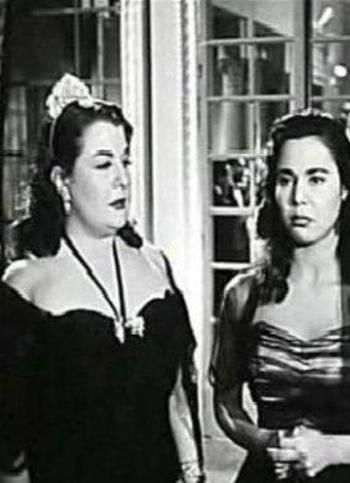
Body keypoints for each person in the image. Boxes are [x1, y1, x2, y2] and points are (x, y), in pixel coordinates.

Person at [0, 74, 203, 483]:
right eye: (103, 164)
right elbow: (10, 448)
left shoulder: (155, 265)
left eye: (125, 161)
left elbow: (178, 399)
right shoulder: (26, 286)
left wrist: (194, 474)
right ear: (63, 181)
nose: (122, 178)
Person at [210, 110, 350, 482]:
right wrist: (267, 442)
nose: (299, 197)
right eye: (286, 179)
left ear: (344, 189)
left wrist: (332, 450)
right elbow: (226, 403)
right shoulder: (243, 296)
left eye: (316, 179)